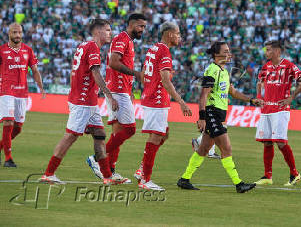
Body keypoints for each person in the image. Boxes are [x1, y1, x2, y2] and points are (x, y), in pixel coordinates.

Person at [40, 19, 122, 184]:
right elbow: (95, 73)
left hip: (86, 99)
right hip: (83, 100)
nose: (110, 33)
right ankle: (49, 173)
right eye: (107, 30)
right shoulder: (92, 47)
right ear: (97, 32)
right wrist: (109, 95)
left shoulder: (83, 45)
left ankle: (107, 177)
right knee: (70, 136)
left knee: (99, 135)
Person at [177, 41, 262, 193]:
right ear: (217, 54)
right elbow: (203, 95)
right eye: (226, 51)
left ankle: (184, 179)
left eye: (229, 51)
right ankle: (238, 184)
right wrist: (202, 118)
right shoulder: (212, 70)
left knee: (203, 149)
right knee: (226, 148)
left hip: (218, 114)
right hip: (212, 113)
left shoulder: (224, 71)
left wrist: (250, 99)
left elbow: (233, 92)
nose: (229, 54)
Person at [86, 13, 146, 183]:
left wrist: (131, 90)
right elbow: (113, 63)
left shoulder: (128, 41)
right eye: (140, 26)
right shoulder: (122, 39)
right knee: (130, 130)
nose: (142, 30)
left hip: (121, 90)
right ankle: (96, 158)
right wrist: (136, 74)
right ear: (131, 25)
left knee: (118, 132)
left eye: (144, 27)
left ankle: (110, 171)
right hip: (117, 90)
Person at [134, 21, 192, 191]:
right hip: (157, 100)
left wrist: (149, 87)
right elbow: (165, 81)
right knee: (155, 137)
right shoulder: (165, 51)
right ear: (169, 34)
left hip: (152, 98)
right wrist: (181, 102)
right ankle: (145, 179)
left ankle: (141, 170)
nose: (180, 37)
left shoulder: (153, 49)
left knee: (164, 134)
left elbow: (144, 73)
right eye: (178, 33)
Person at [254, 41, 301, 186]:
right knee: (266, 141)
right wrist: (259, 97)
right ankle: (267, 176)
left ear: (278, 51)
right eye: (266, 50)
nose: (266, 53)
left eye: (269, 50)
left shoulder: (289, 66)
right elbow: (259, 82)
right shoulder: (266, 66)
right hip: (267, 109)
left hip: (280, 109)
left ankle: (294, 173)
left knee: (280, 142)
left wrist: (291, 97)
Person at [0, 23, 45, 167]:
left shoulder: (28, 50)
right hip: (6, 91)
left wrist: (40, 86)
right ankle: (8, 159)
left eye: (19, 32)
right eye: (14, 32)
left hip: (22, 93)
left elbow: (35, 70)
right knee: (8, 122)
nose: (17, 35)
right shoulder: (1, 51)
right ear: (9, 34)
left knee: (18, 128)